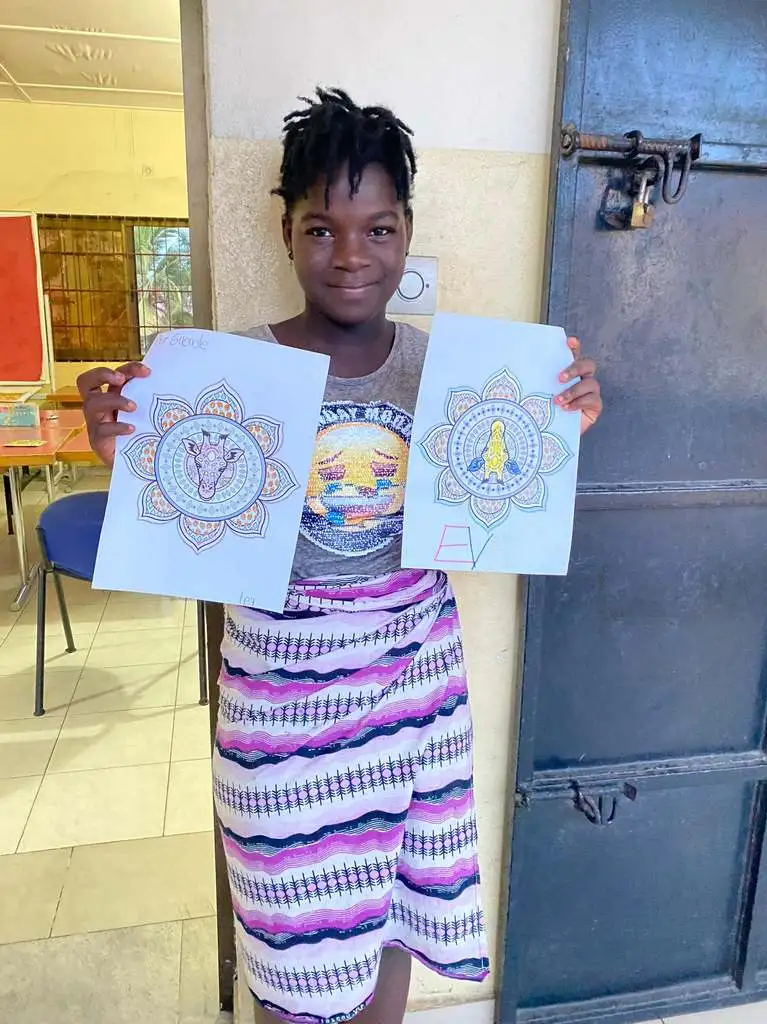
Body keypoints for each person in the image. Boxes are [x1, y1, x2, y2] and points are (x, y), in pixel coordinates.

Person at [77, 88, 603, 1024]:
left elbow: (500, 494)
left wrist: (556, 425)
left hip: (416, 701)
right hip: (282, 716)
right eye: (321, 229)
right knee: (296, 957)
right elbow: (185, 528)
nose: (352, 255)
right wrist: (131, 450)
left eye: (378, 228)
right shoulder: (224, 372)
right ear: (285, 232)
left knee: (394, 917)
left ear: (407, 234)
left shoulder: (450, 373)